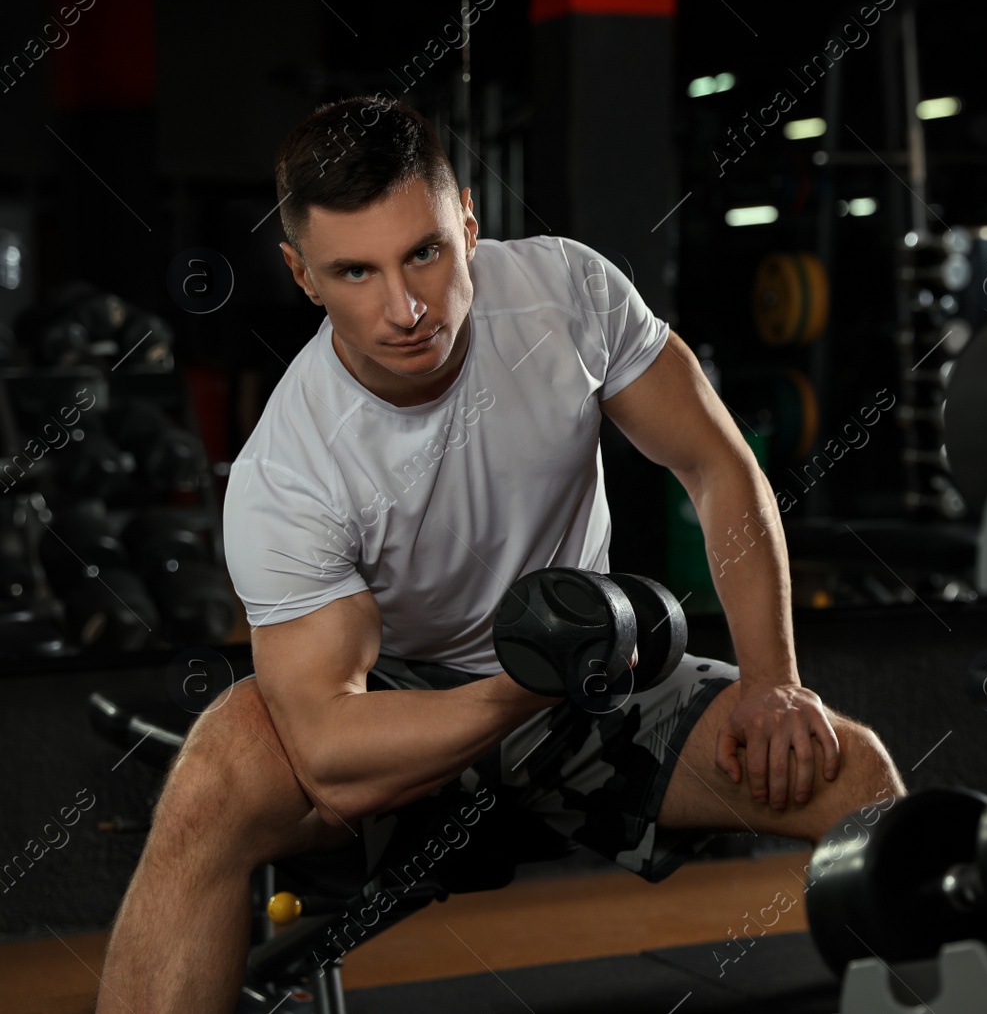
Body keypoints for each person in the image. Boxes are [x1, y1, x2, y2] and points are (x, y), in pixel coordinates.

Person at [96, 95, 905, 1013]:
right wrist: (524, 681)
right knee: (217, 772)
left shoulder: (567, 293)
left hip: (596, 684)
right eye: (355, 271)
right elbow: (326, 745)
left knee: (854, 771)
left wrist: (774, 677)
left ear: (470, 223)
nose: (404, 307)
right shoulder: (290, 468)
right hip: (415, 705)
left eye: (425, 253)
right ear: (303, 276)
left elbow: (716, 464)